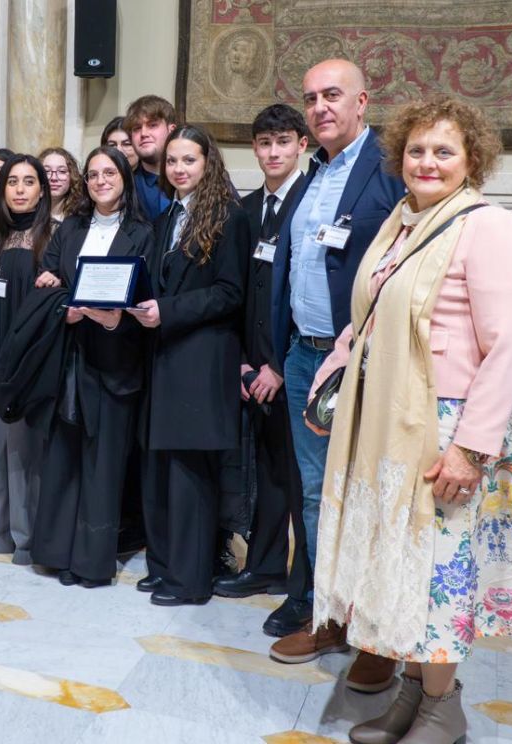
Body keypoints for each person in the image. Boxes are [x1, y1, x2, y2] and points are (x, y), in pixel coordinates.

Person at [308, 97, 512, 744]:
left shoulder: (487, 227)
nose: (427, 161)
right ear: (398, 158)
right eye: (416, 150)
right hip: (385, 419)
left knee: (439, 573)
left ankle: (444, 710)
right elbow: (369, 321)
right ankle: (414, 693)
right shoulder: (400, 223)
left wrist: (470, 449)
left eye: (444, 150)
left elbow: (510, 344)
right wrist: (332, 384)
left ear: (472, 160)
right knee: (405, 570)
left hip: (445, 430)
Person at [268, 59, 405, 690]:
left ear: (362, 101)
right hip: (305, 357)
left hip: (364, 362)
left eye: (332, 96)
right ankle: (331, 616)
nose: (320, 107)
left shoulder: (389, 168)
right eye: (311, 98)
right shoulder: (314, 173)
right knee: (318, 491)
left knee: (372, 493)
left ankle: (376, 633)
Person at [128, 125, 248, 605]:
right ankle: (164, 568)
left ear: (208, 163)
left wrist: (168, 311)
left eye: (189, 161)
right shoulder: (169, 216)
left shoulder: (229, 217)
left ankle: (191, 581)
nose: (179, 169)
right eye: (173, 161)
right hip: (164, 358)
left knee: (190, 477)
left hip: (201, 360)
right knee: (161, 470)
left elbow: (230, 293)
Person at [31, 145, 153, 587]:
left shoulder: (143, 231)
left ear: (125, 178)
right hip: (71, 354)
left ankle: (90, 563)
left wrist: (119, 316)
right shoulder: (70, 229)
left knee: (103, 464)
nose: (101, 181)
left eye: (110, 173)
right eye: (94, 174)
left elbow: (149, 290)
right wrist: (65, 306)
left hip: (117, 357)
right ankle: (56, 553)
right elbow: (46, 280)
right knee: (64, 455)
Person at [214, 104, 310, 630]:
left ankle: (305, 586)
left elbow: (311, 297)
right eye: (264, 143)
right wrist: (245, 364)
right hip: (253, 369)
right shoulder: (248, 209)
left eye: (283, 143)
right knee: (269, 473)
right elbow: (240, 294)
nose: (273, 153)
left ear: (300, 144)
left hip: (293, 367)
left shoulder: (310, 201)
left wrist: (277, 365)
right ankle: (268, 565)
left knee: (301, 483)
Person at [0, 154, 53, 564]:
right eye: (12, 182)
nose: (20, 189)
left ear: (43, 189)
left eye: (29, 181)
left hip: (31, 361)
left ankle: (27, 539)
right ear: (0, 189)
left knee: (25, 453)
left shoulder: (53, 237)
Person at [124, 95, 178, 221]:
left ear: (171, 130)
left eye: (152, 125)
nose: (143, 134)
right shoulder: (126, 187)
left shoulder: (201, 179)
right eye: (137, 128)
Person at [38, 147, 83, 224]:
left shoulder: (82, 217)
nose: (54, 178)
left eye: (62, 171)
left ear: (72, 176)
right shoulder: (27, 214)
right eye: (47, 171)